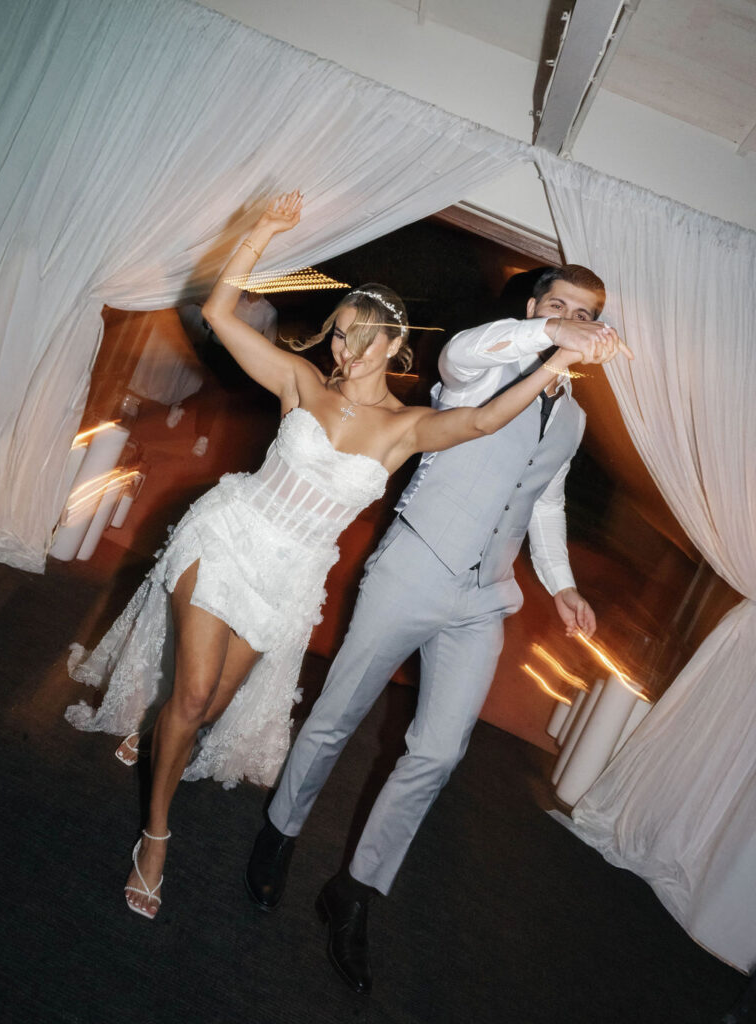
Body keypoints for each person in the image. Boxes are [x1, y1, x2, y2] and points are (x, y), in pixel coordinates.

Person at [64, 192, 604, 921]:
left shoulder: (410, 425)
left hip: (291, 571)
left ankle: (163, 734)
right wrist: (257, 232)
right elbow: (222, 316)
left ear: (395, 347)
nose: (346, 351)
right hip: (230, 534)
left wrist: (558, 363)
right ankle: (155, 837)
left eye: (364, 339)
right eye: (341, 334)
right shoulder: (302, 382)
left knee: (213, 705)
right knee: (193, 696)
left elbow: (479, 420)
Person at [245, 260, 632, 993]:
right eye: (559, 306)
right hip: (414, 567)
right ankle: (281, 833)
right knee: (337, 716)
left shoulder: (574, 418)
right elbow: (464, 353)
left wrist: (565, 587)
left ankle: (355, 891)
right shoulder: (480, 366)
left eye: (585, 312)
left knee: (439, 753)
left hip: (485, 598)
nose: (573, 320)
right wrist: (551, 334)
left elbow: (543, 504)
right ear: (534, 307)